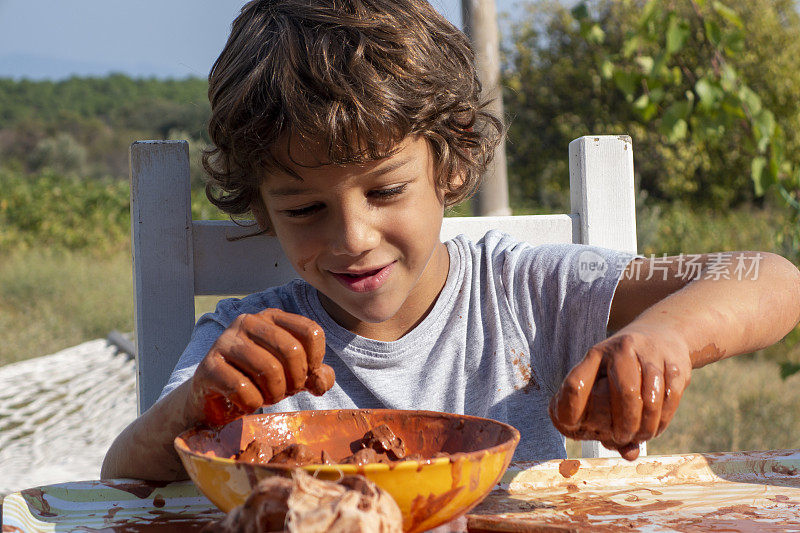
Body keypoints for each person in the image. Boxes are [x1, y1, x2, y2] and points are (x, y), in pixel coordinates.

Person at [101, 0, 800, 481]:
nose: (352, 237)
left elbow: (769, 276)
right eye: (306, 207)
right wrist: (198, 407)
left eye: (384, 191)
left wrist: (666, 338)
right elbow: (123, 477)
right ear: (260, 206)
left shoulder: (526, 291)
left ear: (452, 161)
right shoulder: (246, 344)